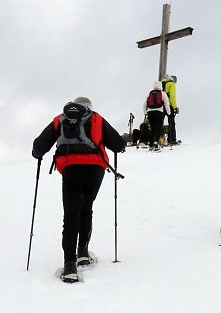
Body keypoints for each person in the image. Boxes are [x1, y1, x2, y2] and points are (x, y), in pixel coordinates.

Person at [32, 96, 126, 283]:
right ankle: (82, 253)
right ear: (89, 108)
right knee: (86, 207)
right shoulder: (96, 118)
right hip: (95, 170)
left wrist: (38, 153)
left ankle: (69, 267)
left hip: (70, 169)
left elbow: (39, 146)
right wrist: (120, 146)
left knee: (70, 215)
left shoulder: (60, 119)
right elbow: (117, 144)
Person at [144, 81, 171, 151]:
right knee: (158, 128)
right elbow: (166, 104)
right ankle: (156, 143)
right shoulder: (162, 93)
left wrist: (145, 113)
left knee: (152, 128)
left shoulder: (149, 93)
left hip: (150, 112)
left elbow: (144, 104)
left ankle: (151, 144)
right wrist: (169, 113)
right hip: (159, 112)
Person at [161, 74, 180, 145]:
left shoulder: (161, 83)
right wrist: (175, 107)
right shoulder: (171, 84)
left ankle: (157, 139)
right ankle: (172, 139)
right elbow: (172, 96)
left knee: (159, 123)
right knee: (171, 122)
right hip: (169, 105)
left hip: (160, 106)